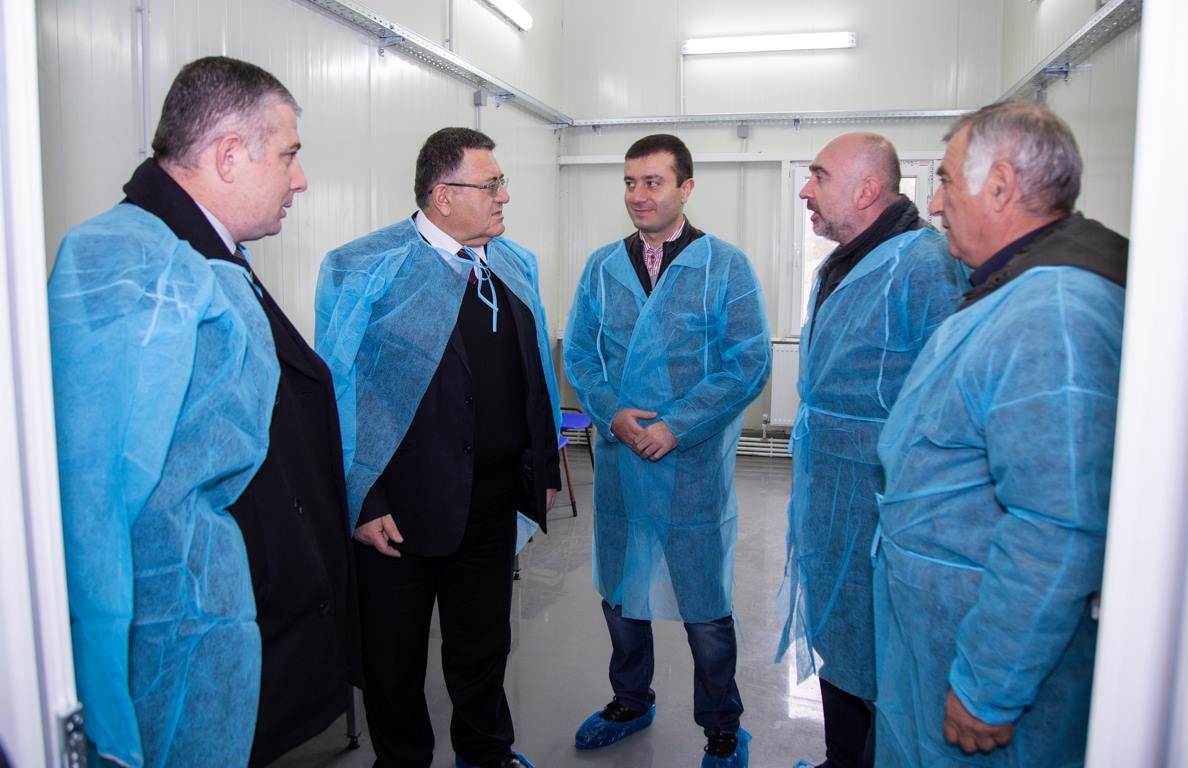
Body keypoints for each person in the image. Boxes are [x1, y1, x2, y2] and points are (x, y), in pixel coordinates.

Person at [48, 56, 358, 767]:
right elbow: (95, 509)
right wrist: (106, 728)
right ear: (228, 156)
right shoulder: (135, 267)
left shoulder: (205, 257)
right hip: (175, 648)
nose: (300, 180)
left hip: (228, 628)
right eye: (289, 156)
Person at [873, 100, 1128, 766]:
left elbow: (1058, 526)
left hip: (984, 665)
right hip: (946, 629)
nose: (934, 203)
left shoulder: (1056, 314)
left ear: (1001, 186)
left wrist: (989, 686)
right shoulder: (1013, 291)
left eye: (946, 180)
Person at [315, 127, 561, 768]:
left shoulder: (513, 263)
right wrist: (363, 497)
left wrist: (539, 468)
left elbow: (533, 372)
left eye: (502, 182)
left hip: (491, 499)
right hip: (398, 510)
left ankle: (486, 752)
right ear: (443, 195)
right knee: (393, 658)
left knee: (484, 644)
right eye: (491, 184)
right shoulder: (364, 267)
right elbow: (338, 390)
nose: (505, 195)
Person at [564, 134, 771, 768]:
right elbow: (581, 354)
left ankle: (722, 727)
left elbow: (747, 363)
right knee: (621, 592)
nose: (638, 195)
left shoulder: (724, 267)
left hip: (691, 465)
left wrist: (676, 426)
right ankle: (631, 701)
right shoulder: (602, 267)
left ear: (686, 188)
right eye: (630, 182)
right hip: (622, 460)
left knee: (704, 607)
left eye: (653, 182)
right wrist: (612, 412)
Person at [776, 134, 967, 767]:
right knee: (843, 638)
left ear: (866, 190)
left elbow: (949, 409)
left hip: (886, 506)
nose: (806, 190)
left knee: (885, 656)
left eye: (818, 176)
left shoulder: (925, 266)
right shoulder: (844, 261)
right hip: (834, 494)